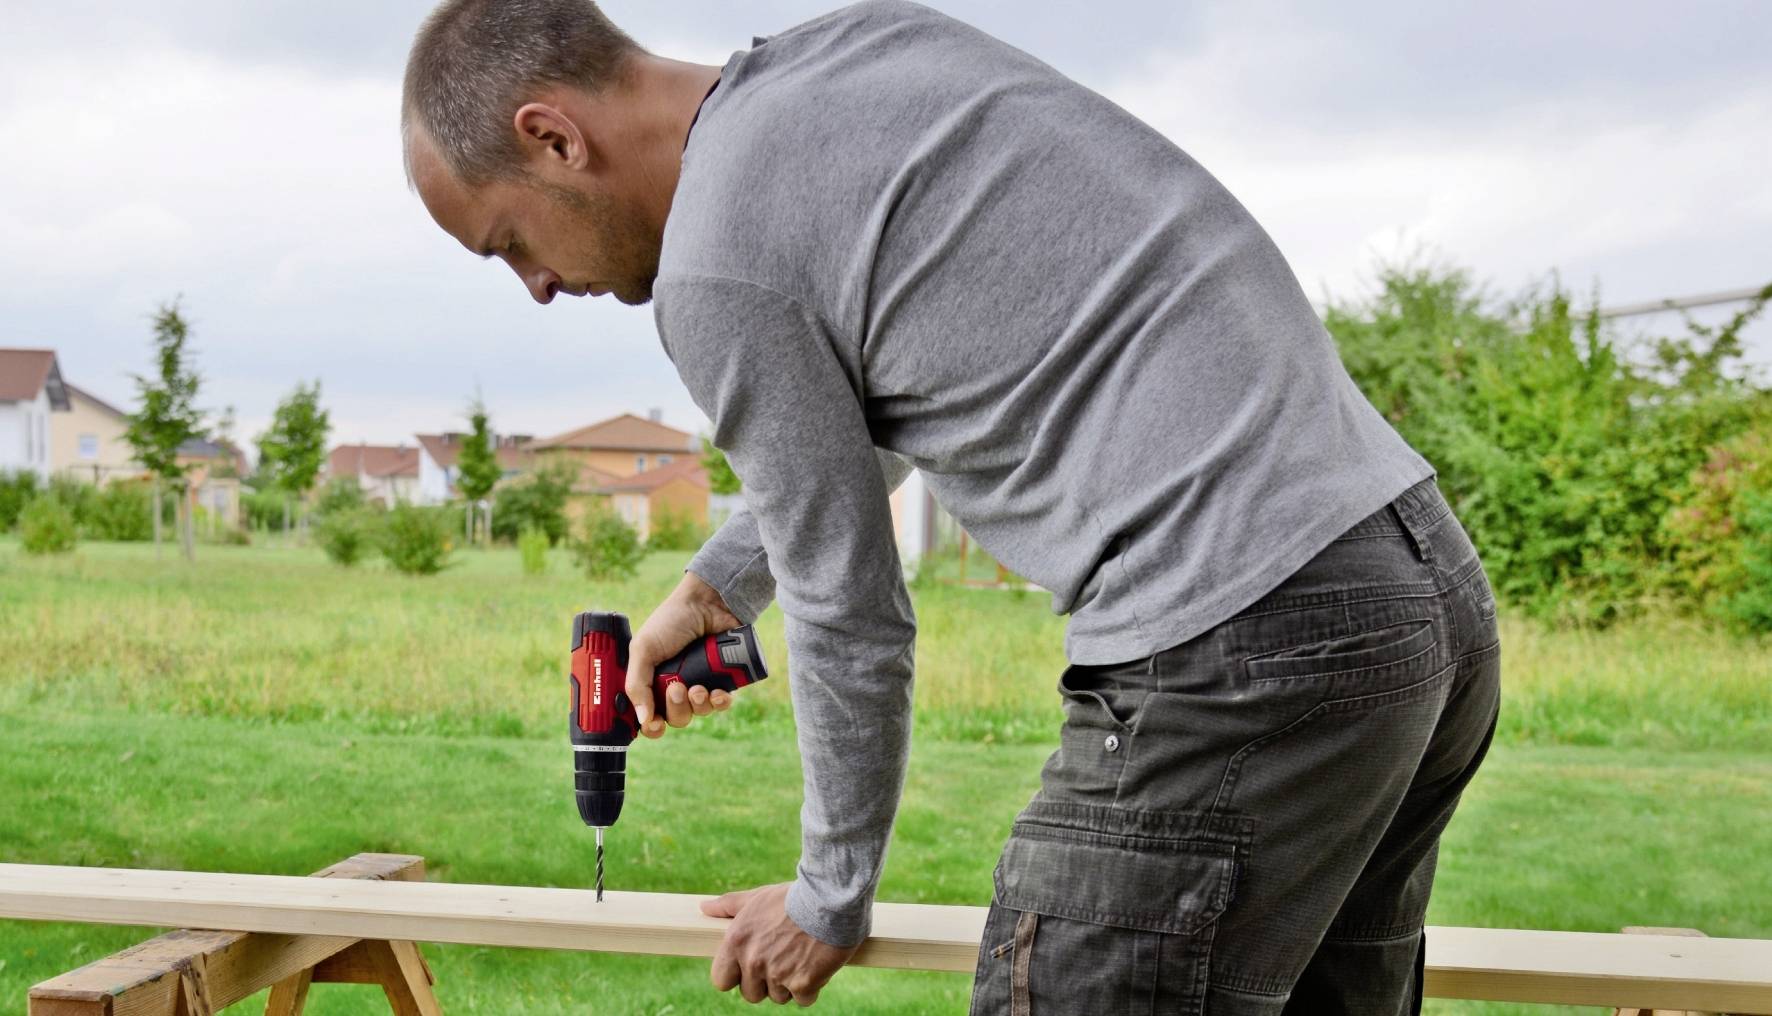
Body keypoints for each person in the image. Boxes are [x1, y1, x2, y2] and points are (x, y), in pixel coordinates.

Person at [401, 1, 1502, 1011]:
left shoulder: (714, 267)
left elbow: (850, 604)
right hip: (1415, 599)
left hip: (1237, 641)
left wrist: (826, 893)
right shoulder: (868, 50)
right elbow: (891, 398)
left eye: (509, 244)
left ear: (552, 137)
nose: (537, 286)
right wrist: (718, 585)